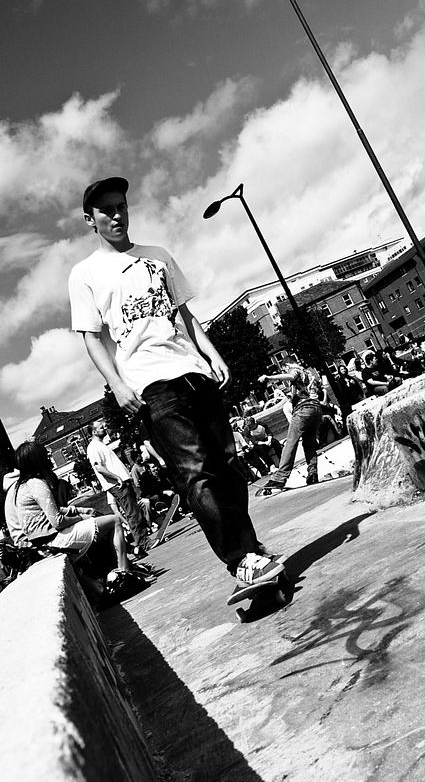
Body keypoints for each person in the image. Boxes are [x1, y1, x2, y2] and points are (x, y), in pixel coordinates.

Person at [68, 176, 281, 589]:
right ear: (90, 220)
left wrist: (212, 353)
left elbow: (184, 314)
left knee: (229, 463)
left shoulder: (158, 255)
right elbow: (91, 338)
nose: (116, 214)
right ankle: (239, 560)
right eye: (106, 210)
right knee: (196, 471)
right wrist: (117, 384)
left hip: (194, 371)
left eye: (121, 206)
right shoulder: (85, 274)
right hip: (151, 385)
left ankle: (250, 549)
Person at [13, 441, 132, 572]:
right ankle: (124, 571)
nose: (48, 458)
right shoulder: (36, 484)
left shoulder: (22, 487)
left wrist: (78, 511)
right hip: (54, 542)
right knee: (115, 520)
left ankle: (113, 569)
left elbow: (53, 511)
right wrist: (81, 517)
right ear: (37, 460)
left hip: (41, 544)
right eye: (45, 456)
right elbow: (58, 521)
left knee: (101, 522)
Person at [87, 419, 150, 555]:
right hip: (116, 484)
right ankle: (143, 542)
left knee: (135, 511)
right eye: (100, 426)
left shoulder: (101, 445)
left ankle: (143, 540)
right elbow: (98, 467)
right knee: (132, 512)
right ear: (93, 431)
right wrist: (116, 477)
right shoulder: (93, 447)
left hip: (121, 482)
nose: (104, 427)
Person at [258, 362, 323, 490]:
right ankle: (312, 473)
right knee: (309, 444)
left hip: (303, 409)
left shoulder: (295, 370)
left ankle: (279, 478)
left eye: (284, 368)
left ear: (286, 365)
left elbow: (291, 376)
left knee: (291, 443)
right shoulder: (308, 374)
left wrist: (269, 377)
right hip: (316, 409)